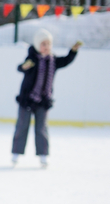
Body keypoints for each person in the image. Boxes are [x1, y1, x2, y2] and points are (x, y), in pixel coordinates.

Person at [11, 29, 83, 168]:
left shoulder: (53, 61)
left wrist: (73, 51)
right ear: (38, 45)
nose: (46, 47)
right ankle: (16, 153)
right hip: (27, 99)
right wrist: (24, 67)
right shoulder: (32, 59)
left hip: (43, 100)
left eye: (49, 44)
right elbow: (21, 67)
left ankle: (43, 155)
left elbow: (66, 61)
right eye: (43, 44)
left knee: (41, 128)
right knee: (22, 126)